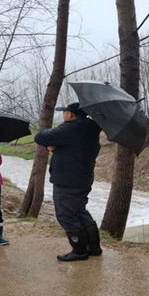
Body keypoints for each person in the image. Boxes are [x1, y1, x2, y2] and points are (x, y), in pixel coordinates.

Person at [34, 102, 102, 262]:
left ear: (70, 114)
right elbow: (75, 148)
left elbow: (40, 137)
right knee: (80, 212)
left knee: (66, 215)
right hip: (83, 178)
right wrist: (56, 148)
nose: (63, 115)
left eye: (64, 112)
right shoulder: (90, 129)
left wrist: (46, 132)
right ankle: (93, 247)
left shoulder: (70, 128)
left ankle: (79, 250)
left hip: (67, 179)